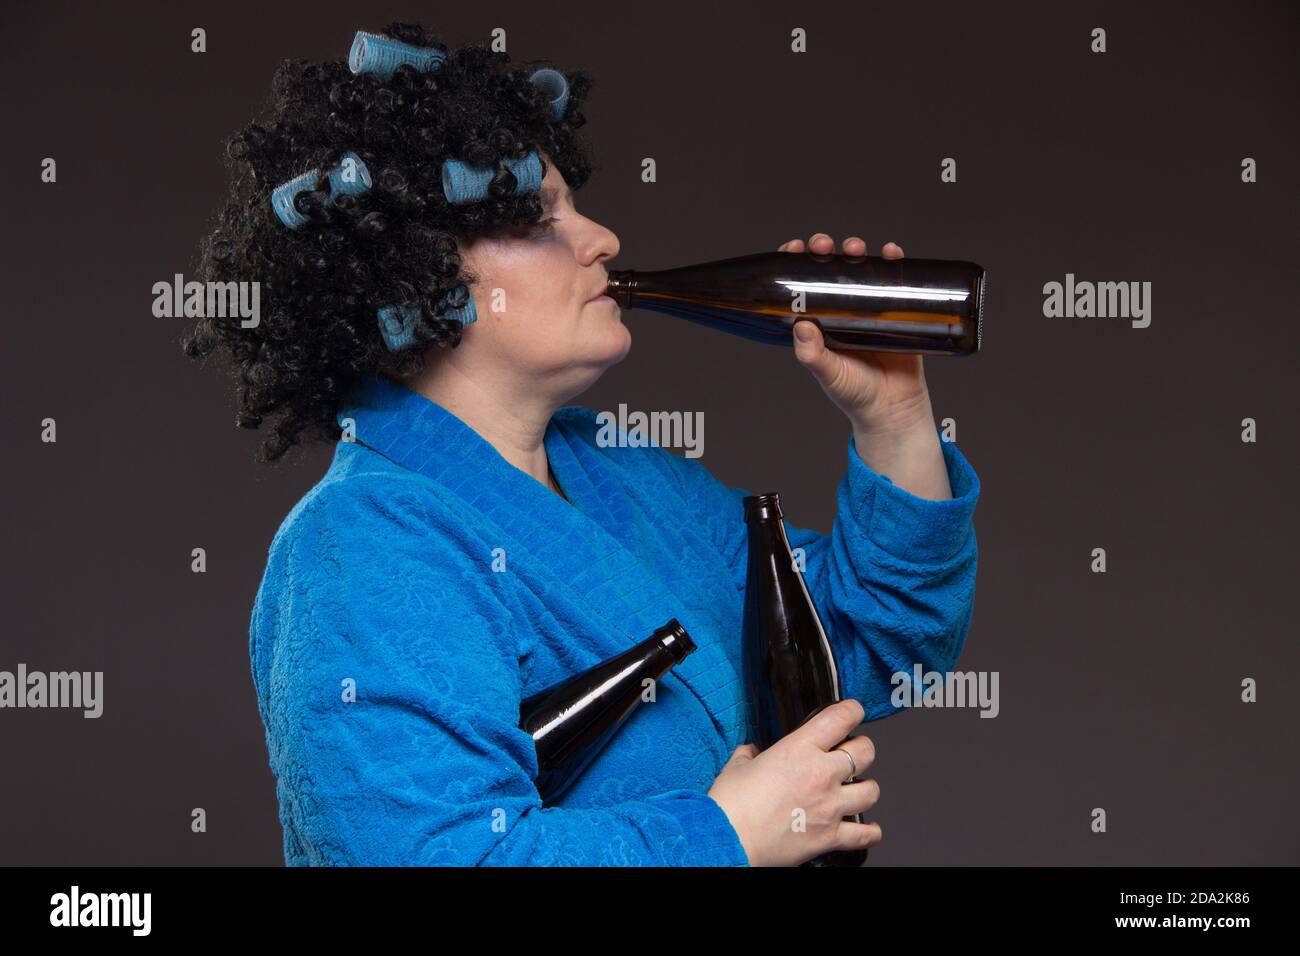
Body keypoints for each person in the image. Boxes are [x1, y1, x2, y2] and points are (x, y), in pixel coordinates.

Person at [184, 22, 981, 866]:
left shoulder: (632, 480)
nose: (601, 239)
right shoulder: (360, 546)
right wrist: (728, 835)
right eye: (538, 217)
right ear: (413, 275)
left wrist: (891, 418)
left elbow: (873, 647)